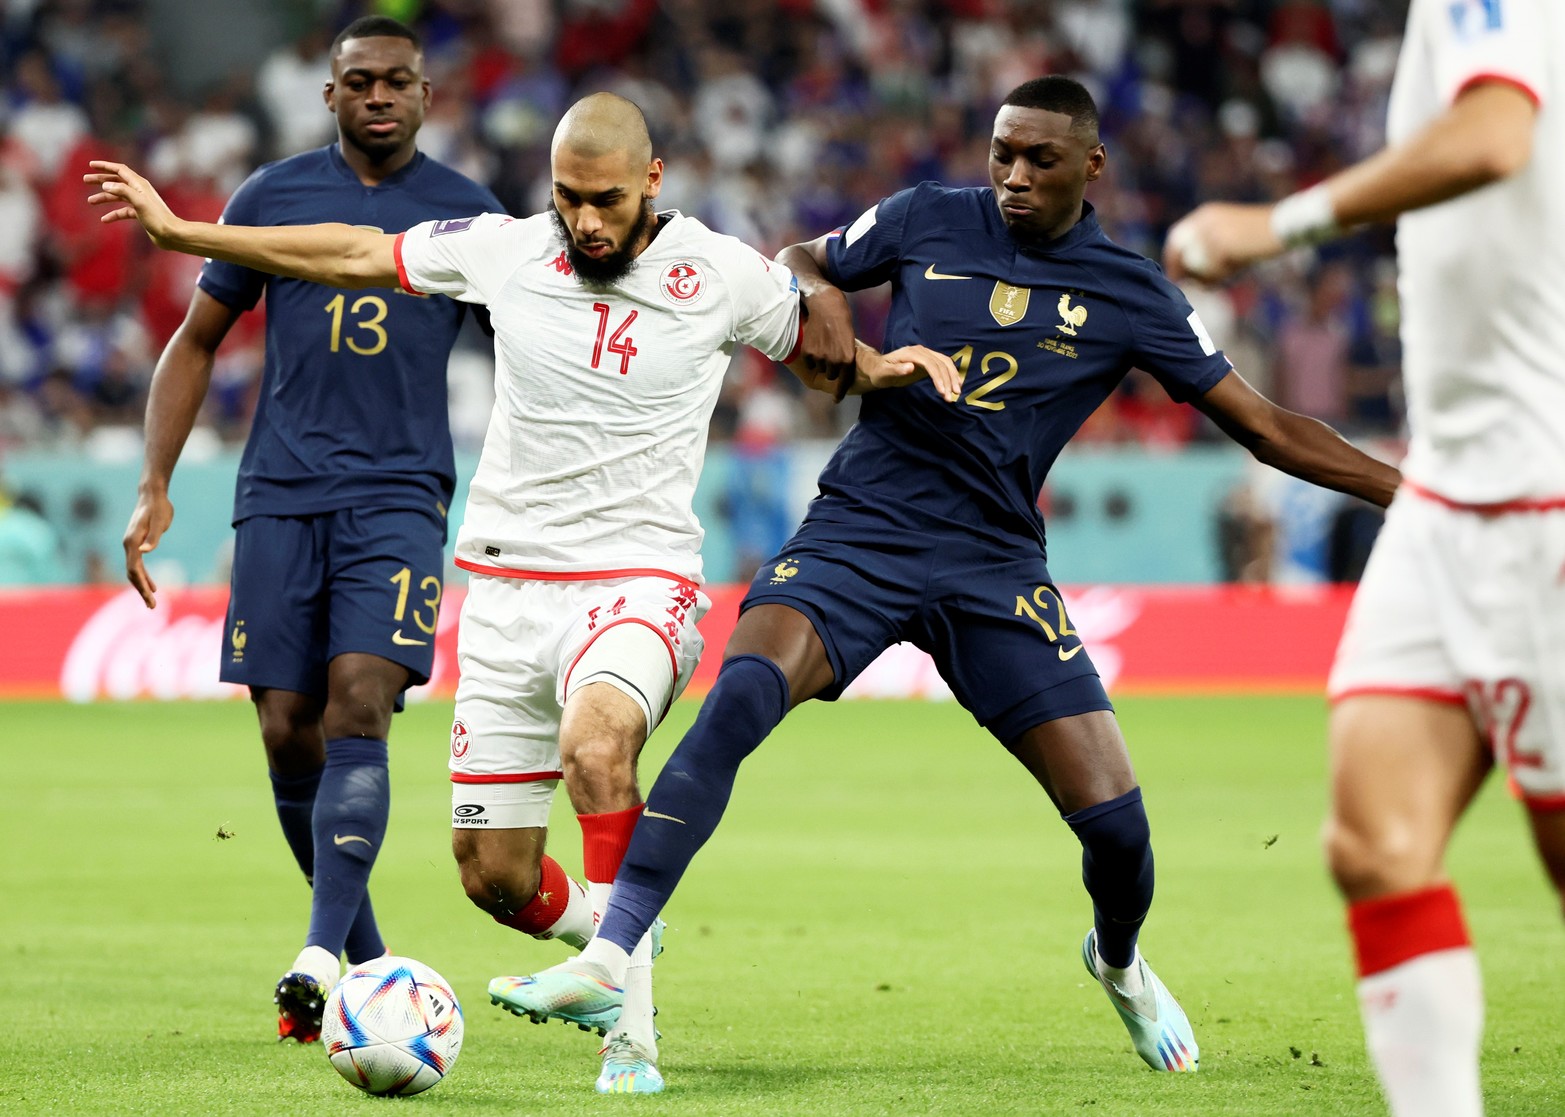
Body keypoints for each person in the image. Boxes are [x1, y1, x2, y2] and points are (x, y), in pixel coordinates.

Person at [492, 75, 1402, 1081]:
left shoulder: (1129, 291)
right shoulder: (927, 216)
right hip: (861, 528)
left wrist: (1410, 494)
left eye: (1039, 159)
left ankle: (1117, 959)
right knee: (738, 698)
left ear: (1090, 165)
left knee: (1116, 828)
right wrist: (827, 296)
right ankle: (610, 954)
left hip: (992, 562)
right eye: (1001, 153)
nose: (1012, 175)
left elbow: (1266, 427)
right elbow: (799, 259)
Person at [90, 92, 958, 1093]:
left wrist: (879, 368)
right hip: (504, 591)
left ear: (651, 182)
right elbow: (351, 252)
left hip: (638, 579)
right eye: (566, 198)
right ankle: (620, 927)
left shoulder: (719, 272)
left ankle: (628, 1032)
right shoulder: (506, 250)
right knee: (492, 876)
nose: (583, 221)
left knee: (596, 747)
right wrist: (183, 229)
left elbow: (814, 357)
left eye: (603, 200)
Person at [1163, 3, 1561, 1114]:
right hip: (1449, 489)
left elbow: (1493, 135)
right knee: (1373, 840)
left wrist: (1277, 222)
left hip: (1539, 494)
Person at [117, 16, 504, 1044]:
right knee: (285, 724)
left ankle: (318, 952)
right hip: (279, 494)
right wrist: (155, 481)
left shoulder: (470, 218)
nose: (380, 97)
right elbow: (196, 340)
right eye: (360, 82)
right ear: (328, 96)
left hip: (398, 500)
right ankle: (368, 967)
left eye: (398, 83)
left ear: (427, 95)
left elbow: (533, 352)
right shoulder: (269, 199)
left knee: (357, 703)